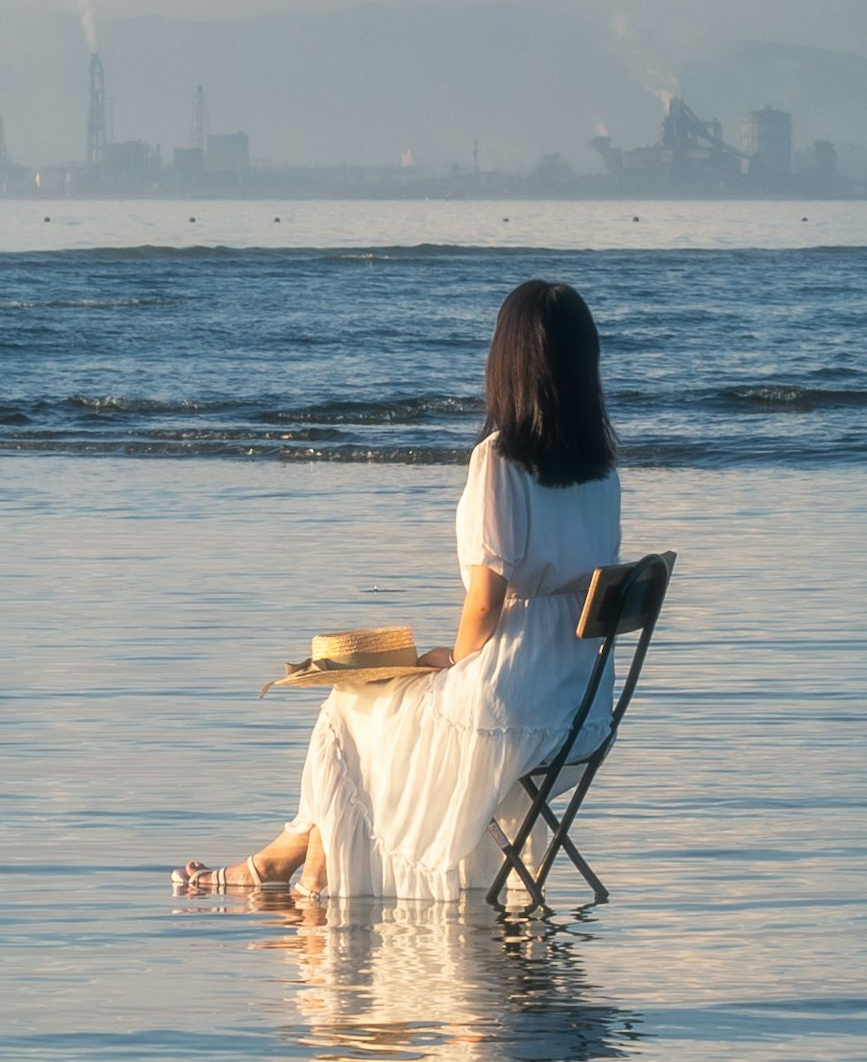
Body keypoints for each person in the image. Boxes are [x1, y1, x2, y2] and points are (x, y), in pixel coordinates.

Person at [176, 276, 625, 907]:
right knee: (369, 710)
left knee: (345, 707)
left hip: (509, 702)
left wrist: (454, 662)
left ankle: (295, 869)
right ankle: (300, 867)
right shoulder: (602, 472)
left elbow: (485, 603)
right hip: (580, 707)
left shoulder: (501, 461)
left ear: (507, 364)